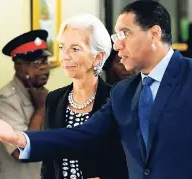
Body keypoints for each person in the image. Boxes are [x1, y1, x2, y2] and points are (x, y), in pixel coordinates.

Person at [0, 1, 192, 179]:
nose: (117, 44)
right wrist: (20, 138)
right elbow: (82, 136)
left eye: (124, 33)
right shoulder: (124, 92)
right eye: (114, 36)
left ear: (154, 34)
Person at [39, 14, 127, 179]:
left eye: (75, 49)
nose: (65, 56)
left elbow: (130, 162)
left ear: (97, 57)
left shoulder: (117, 101)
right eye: (62, 47)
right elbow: (48, 164)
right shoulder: (54, 99)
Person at [0, 30, 51, 179]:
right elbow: (21, 152)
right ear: (19, 66)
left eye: (44, 61)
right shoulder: (4, 101)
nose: (42, 67)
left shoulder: (43, 94)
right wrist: (41, 109)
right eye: (35, 63)